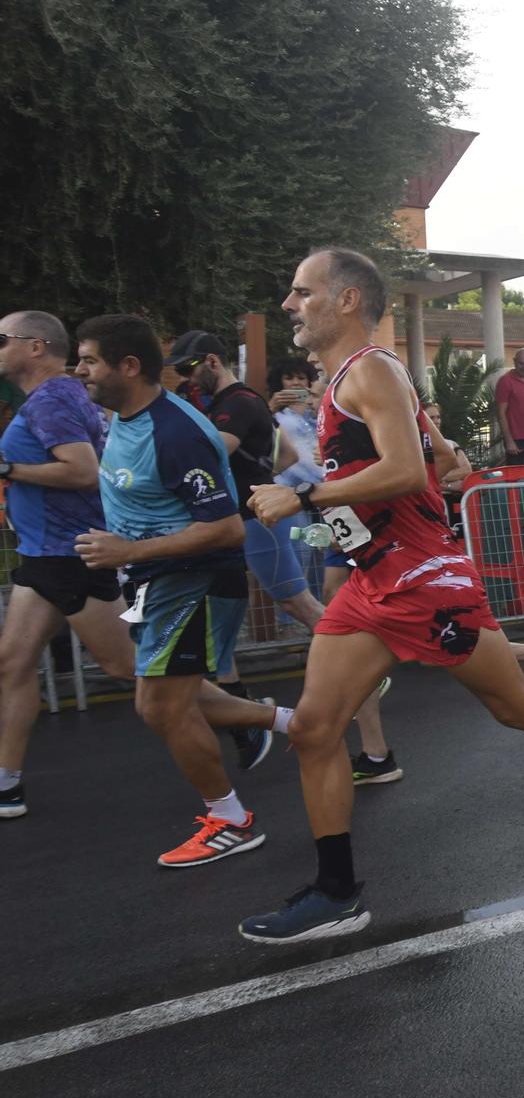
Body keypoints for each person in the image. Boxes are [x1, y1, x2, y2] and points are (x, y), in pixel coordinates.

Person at [236, 248, 524, 943]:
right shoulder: (355, 380)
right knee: (315, 729)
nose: (289, 304)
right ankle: (336, 890)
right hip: (373, 580)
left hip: (424, 581)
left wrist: (309, 491)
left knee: (513, 707)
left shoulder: (372, 370)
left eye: (301, 291)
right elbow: (445, 459)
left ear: (347, 300)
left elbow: (409, 471)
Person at [67, 314, 291, 862]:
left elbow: (226, 526)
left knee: (162, 707)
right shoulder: (124, 417)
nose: (80, 370)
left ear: (129, 366)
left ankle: (230, 819)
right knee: (166, 698)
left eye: (90, 360)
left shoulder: (175, 432)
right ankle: (292, 722)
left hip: (194, 581)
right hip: (157, 581)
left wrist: (129, 551)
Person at [169, 330, 388, 770]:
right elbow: (285, 456)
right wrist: (258, 476)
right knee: (222, 623)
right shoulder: (232, 404)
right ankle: (241, 717)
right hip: (239, 522)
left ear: (213, 361)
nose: (187, 379)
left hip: (256, 523)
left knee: (298, 601)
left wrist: (253, 485)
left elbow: (212, 458)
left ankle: (364, 669)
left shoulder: (239, 402)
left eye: (191, 369)